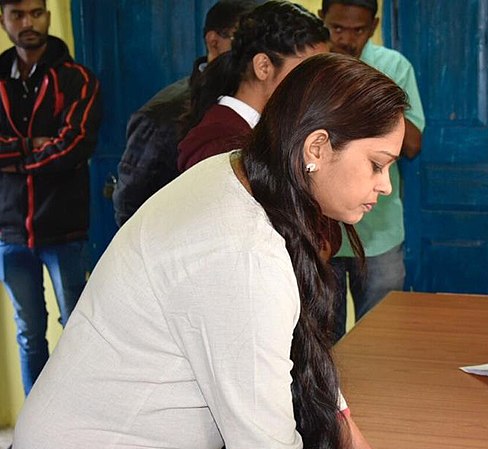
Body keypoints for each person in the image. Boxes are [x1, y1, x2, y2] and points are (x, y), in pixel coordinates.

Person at [6, 53, 488, 449]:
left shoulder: (245, 175)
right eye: (376, 163)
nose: (385, 184)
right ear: (317, 148)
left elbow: (295, 355)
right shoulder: (241, 249)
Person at [177, 4, 329, 449]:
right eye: (305, 73)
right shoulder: (222, 141)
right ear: (263, 67)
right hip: (236, 343)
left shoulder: (261, 135)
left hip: (263, 335)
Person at [0, 0, 101, 404]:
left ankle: (85, 420)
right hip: (9, 233)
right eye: (18, 15)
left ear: (47, 14)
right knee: (29, 335)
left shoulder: (77, 79)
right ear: (3, 19)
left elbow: (75, 145)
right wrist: (31, 146)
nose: (29, 23)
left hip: (64, 229)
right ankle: (35, 430)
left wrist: (11, 157)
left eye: (37, 12)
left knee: (79, 329)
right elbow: (54, 149)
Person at [318, 0, 424, 339]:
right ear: (322, 20)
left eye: (359, 30)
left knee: (382, 337)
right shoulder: (311, 68)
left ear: (375, 24)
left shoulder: (392, 65)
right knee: (320, 340)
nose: (347, 40)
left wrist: (369, 89)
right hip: (320, 230)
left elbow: (412, 146)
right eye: (337, 28)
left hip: (379, 231)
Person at [112, 0, 257, 227]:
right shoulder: (162, 114)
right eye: (245, 42)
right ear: (214, 42)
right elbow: (130, 204)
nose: (257, 54)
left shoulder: (263, 104)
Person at [178, 0, 328, 173]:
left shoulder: (256, 135)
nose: (316, 85)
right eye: (306, 72)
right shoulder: (222, 148)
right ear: (263, 66)